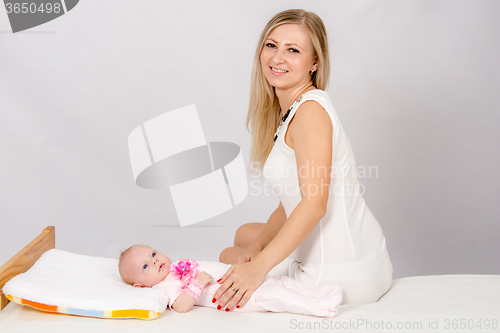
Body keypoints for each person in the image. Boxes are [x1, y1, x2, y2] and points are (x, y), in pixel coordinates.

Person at [215, 9, 393, 310]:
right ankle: (258, 250)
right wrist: (257, 248)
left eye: (293, 50)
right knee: (245, 235)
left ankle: (271, 265)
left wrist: (258, 268)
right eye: (271, 45)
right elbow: (292, 200)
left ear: (314, 63)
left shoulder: (310, 113)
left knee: (226, 255)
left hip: (341, 274)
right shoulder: (295, 109)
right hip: (368, 256)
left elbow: (313, 204)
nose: (277, 58)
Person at [118, 244, 342, 317]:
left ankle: (321, 293)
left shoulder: (176, 267)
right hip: (243, 298)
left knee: (282, 282)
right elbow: (181, 306)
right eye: (146, 266)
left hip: (247, 277)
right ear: (140, 285)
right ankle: (319, 307)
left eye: (153, 254)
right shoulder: (167, 285)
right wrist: (198, 283)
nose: (154, 261)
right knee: (276, 296)